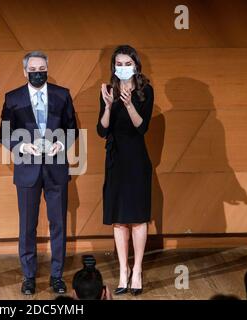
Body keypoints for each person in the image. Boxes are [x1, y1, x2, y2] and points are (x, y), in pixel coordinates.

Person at [0, 51, 78, 295]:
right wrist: (22, 146)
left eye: (42, 68)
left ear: (47, 68)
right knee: (27, 226)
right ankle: (29, 277)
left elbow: (72, 128)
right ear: (25, 71)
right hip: (27, 170)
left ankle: (56, 277)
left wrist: (61, 145)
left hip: (56, 169)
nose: (38, 72)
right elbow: (4, 133)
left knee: (58, 225)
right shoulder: (12, 98)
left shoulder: (62, 94)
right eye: (33, 69)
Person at [97, 45, 154, 296]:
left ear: (135, 65)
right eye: (118, 63)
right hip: (115, 160)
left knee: (139, 217)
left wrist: (129, 104)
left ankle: (138, 269)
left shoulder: (145, 90)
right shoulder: (107, 90)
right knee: (119, 219)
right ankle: (123, 270)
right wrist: (108, 106)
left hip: (137, 160)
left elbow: (142, 128)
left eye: (127, 63)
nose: (122, 67)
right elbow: (102, 130)